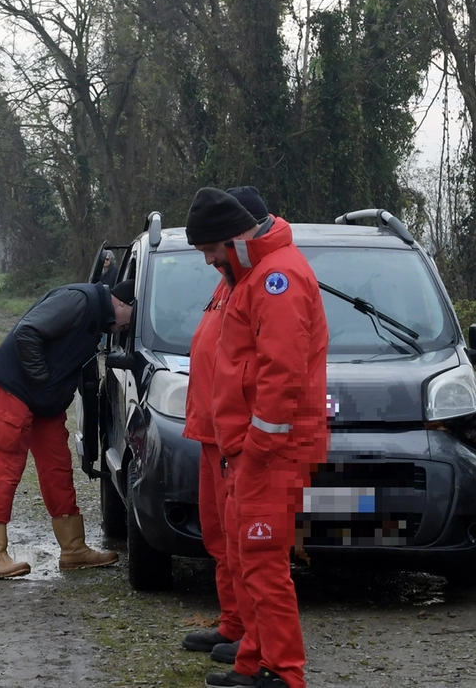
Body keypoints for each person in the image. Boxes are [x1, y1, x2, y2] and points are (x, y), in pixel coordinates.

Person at [188, 189, 329, 688]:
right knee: (248, 556)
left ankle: (283, 673)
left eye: (209, 251)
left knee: (264, 561)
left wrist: (257, 449)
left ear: (234, 239)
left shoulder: (277, 279)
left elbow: (280, 376)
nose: (207, 261)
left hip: (269, 453)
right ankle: (254, 659)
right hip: (248, 450)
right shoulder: (254, 276)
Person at [0, 279, 137, 579]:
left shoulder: (98, 316)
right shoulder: (79, 300)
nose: (127, 329)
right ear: (122, 304)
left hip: (44, 400)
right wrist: (42, 380)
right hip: (15, 387)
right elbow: (27, 333)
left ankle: (74, 549)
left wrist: (47, 390)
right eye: (131, 320)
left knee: (57, 466)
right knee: (6, 462)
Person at [179, 187, 271, 662]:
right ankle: (233, 623)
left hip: (235, 436)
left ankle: (250, 636)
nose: (213, 259)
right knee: (219, 537)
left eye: (217, 249)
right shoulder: (227, 281)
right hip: (210, 431)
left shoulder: (260, 282)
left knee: (243, 542)